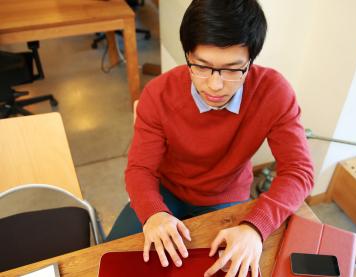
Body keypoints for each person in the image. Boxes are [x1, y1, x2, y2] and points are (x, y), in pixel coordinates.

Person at [107, 0, 314, 276]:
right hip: (167, 191)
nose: (215, 85)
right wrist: (154, 213)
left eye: (232, 69)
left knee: (232, 268)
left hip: (226, 195)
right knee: (114, 258)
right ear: (187, 55)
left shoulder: (274, 93)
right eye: (202, 66)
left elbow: (299, 171)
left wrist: (255, 226)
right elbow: (140, 169)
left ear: (250, 61)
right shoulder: (158, 94)